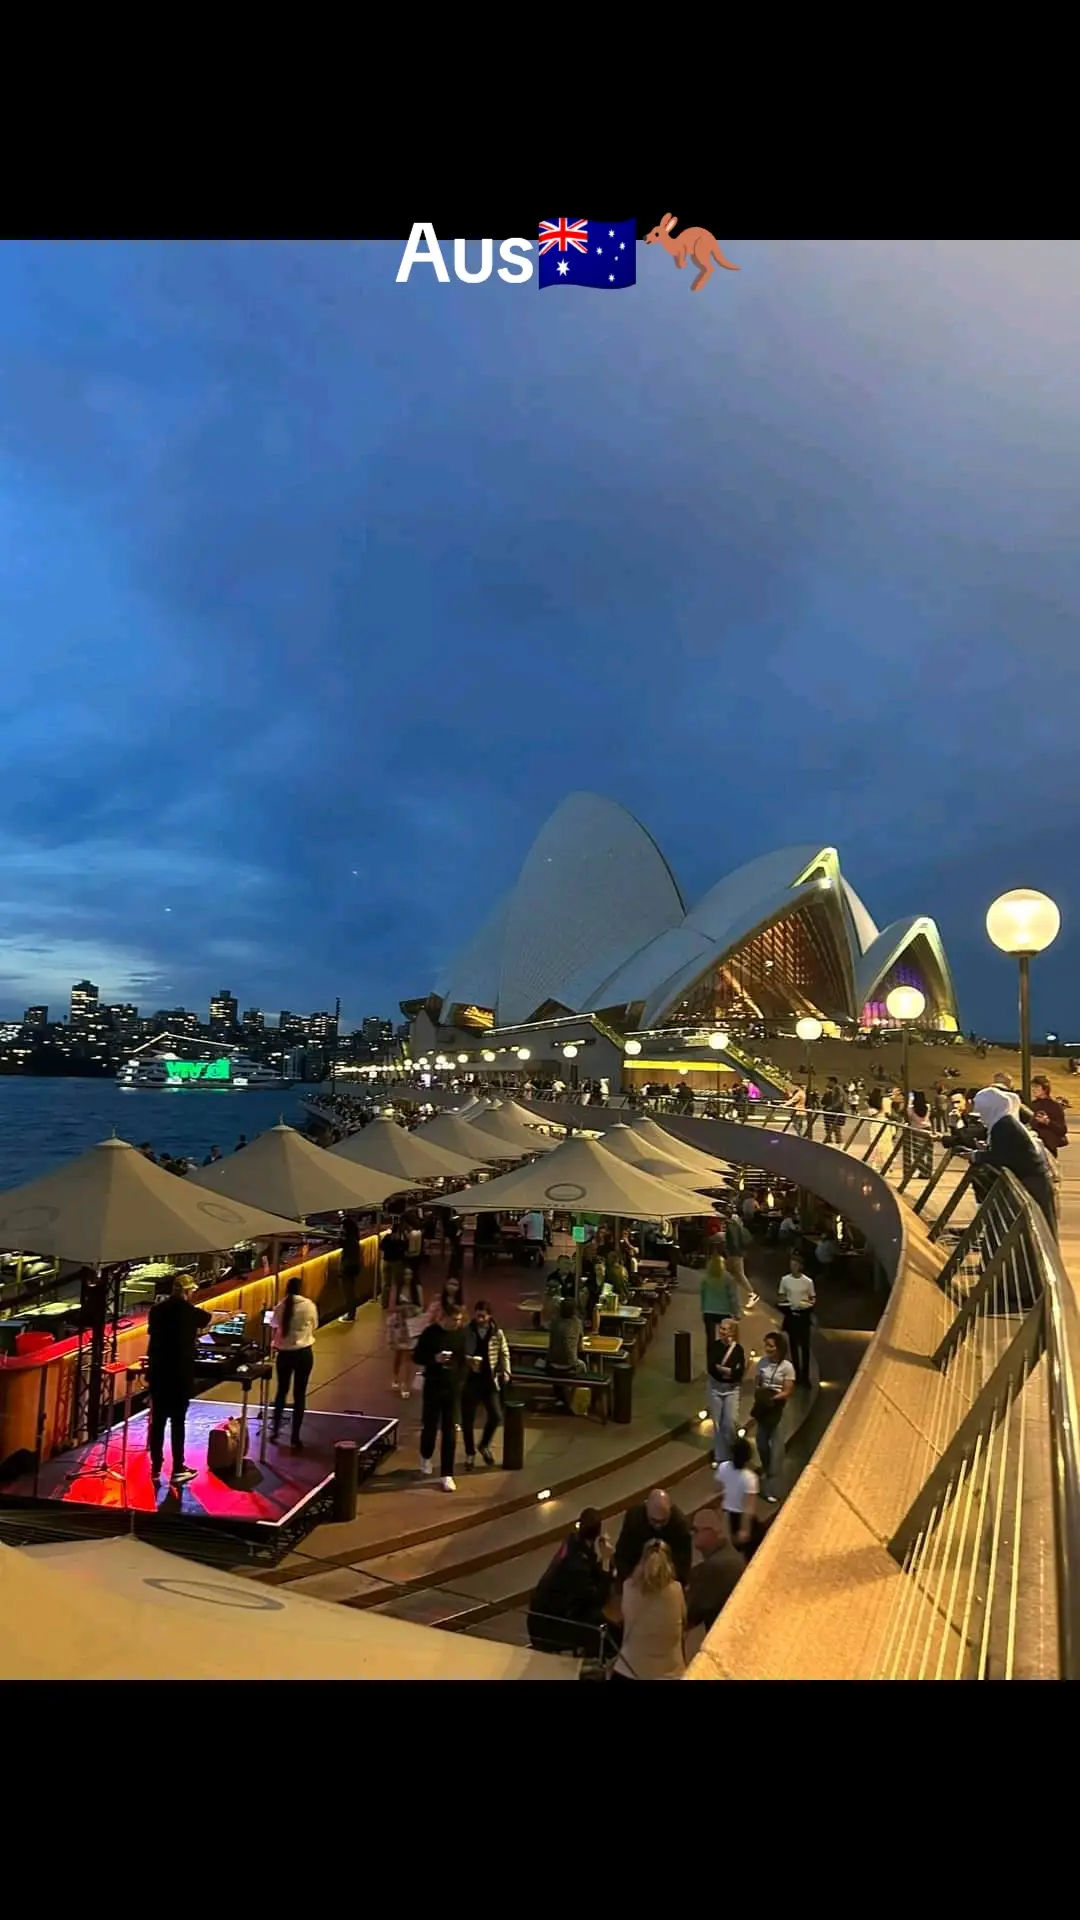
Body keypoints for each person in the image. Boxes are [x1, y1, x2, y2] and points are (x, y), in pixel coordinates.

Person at [146, 1276, 212, 1484]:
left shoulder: (156, 1310)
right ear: (187, 1291)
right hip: (179, 1375)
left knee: (157, 1422)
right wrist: (230, 1315)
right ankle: (177, 1468)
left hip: (158, 1373)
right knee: (177, 1422)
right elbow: (207, 1319)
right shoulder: (189, 1311)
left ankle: (155, 1467)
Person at [527, 1508, 615, 1657]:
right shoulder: (576, 1564)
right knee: (600, 1624)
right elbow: (597, 1598)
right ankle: (591, 1662)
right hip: (549, 1627)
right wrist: (606, 1561)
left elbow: (592, 1573)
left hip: (545, 1615)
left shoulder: (573, 1542)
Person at [971, 1087, 1058, 1237]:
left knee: (1038, 1230)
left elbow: (1002, 1156)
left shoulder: (1004, 1125)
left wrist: (976, 1156)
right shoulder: (1003, 1123)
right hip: (1031, 1181)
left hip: (1033, 1183)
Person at [413, 1296, 468, 1490]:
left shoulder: (461, 1335)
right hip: (433, 1385)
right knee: (429, 1427)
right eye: (454, 1319)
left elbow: (463, 1360)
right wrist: (434, 1359)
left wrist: (462, 1375)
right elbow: (416, 1356)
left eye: (460, 1320)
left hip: (452, 1388)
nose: (457, 1323)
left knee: (449, 1431)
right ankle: (425, 1456)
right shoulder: (430, 1334)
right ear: (444, 1318)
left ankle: (447, 1473)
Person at [612, 1541, 686, 1680]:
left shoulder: (628, 1587)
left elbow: (621, 1618)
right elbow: (683, 1625)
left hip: (630, 1670)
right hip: (671, 1673)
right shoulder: (677, 1590)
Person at [462, 1300, 511, 1469]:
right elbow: (460, 1352)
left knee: (496, 1416)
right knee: (467, 1419)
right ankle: (469, 1453)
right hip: (471, 1379)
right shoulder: (468, 1331)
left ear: (489, 1316)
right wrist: (468, 1360)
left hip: (489, 1380)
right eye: (477, 1315)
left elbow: (504, 1353)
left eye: (483, 1316)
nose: (480, 1319)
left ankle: (484, 1444)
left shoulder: (497, 1333)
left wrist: (506, 1371)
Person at [271, 1276, 319, 1448]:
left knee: (281, 1392)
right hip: (303, 1354)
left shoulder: (280, 1307)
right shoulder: (309, 1305)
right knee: (300, 1394)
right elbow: (315, 1325)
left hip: (284, 1355)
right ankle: (295, 1437)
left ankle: (275, 1431)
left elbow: (274, 1325)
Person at [614, 1487, 693, 1589]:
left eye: (662, 1521)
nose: (658, 1526)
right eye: (654, 1520)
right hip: (636, 1574)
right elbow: (623, 1549)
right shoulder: (634, 1517)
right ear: (647, 1509)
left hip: (666, 1579)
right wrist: (630, 1577)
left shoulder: (680, 1525)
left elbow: (683, 1562)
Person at [751, 1330, 795, 1500]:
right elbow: (757, 1381)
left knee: (776, 1448)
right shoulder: (762, 1362)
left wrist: (773, 1397)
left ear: (779, 1348)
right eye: (766, 1345)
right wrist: (760, 1392)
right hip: (763, 1407)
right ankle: (768, 1470)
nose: (767, 1349)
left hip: (776, 1408)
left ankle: (771, 1487)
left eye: (771, 1346)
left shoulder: (787, 1367)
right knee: (761, 1443)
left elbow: (788, 1390)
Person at [686, 1508, 744, 1631]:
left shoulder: (716, 1566)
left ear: (711, 1532)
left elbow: (693, 1612)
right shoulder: (729, 1555)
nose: (692, 1534)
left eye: (696, 1530)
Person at [706, 1316, 745, 1465]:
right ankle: (720, 1457)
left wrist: (726, 1371)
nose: (722, 1331)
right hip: (715, 1388)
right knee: (717, 1423)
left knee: (730, 1421)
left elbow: (738, 1372)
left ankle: (733, 1450)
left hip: (731, 1389)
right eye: (721, 1328)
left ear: (732, 1332)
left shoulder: (738, 1350)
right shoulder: (714, 1346)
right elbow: (711, 1367)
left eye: (725, 1329)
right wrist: (727, 1371)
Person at [714, 1437, 759, 1552]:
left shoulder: (723, 1467)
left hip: (728, 1515)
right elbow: (748, 1508)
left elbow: (718, 1488)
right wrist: (745, 1529)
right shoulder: (750, 1478)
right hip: (742, 1518)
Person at [778, 1252, 816, 1388]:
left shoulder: (808, 1282)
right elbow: (781, 1297)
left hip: (803, 1317)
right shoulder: (785, 1280)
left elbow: (812, 1298)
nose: (792, 1266)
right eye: (791, 1264)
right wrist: (785, 1303)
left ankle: (805, 1377)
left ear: (800, 1266)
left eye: (795, 1264)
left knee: (805, 1348)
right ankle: (797, 1375)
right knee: (793, 1347)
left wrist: (806, 1304)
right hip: (791, 1316)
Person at [386, 1264, 424, 1396]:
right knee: (398, 1354)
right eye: (406, 1274)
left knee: (408, 1356)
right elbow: (391, 1307)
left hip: (411, 1325)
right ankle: (396, 1377)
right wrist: (404, 1307)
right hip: (398, 1325)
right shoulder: (396, 1288)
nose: (408, 1277)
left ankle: (405, 1385)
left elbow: (421, 1307)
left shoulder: (417, 1289)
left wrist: (414, 1309)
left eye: (410, 1275)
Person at [700, 1251, 740, 1348]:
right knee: (726, 1337)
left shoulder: (705, 1277)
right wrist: (737, 1312)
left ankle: (711, 1358)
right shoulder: (728, 1278)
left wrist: (703, 1308)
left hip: (708, 1311)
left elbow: (703, 1295)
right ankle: (725, 1357)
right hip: (724, 1312)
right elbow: (733, 1297)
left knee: (710, 1339)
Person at [724, 1205, 758, 1311]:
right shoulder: (736, 1221)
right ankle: (733, 1297)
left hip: (734, 1253)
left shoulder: (731, 1224)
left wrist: (730, 1251)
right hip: (737, 1252)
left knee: (736, 1274)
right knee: (735, 1274)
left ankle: (751, 1293)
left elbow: (733, 1240)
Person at [1030, 1075, 1068, 1161]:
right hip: (1033, 1147)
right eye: (1032, 1087)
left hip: (1048, 1147)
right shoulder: (1031, 1105)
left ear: (1045, 1088)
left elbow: (1062, 1129)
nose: (1033, 1089)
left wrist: (1047, 1122)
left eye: (1036, 1087)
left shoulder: (1054, 1106)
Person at [379, 1221, 407, 1310]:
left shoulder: (387, 1237)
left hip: (386, 1261)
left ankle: (384, 1303)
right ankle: (397, 1300)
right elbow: (405, 1248)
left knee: (385, 1283)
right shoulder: (400, 1238)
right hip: (396, 1261)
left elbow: (381, 1247)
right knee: (398, 1282)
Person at [340, 1214, 363, 1322]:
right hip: (354, 1266)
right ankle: (351, 1312)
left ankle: (350, 1314)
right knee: (351, 1291)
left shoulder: (348, 1240)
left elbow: (340, 1244)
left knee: (348, 1292)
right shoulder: (355, 1239)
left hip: (347, 1267)